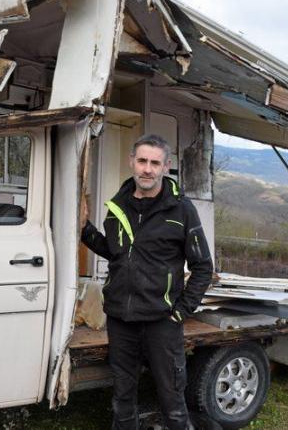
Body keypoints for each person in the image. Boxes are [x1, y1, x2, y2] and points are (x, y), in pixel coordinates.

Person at [80, 134, 213, 430]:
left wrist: (180, 312)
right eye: (142, 161)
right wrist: (84, 230)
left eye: (155, 163)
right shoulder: (118, 206)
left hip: (161, 320)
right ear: (132, 162)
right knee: (122, 395)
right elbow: (116, 252)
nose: (147, 169)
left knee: (171, 398)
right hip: (120, 318)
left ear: (166, 166)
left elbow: (203, 266)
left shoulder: (181, 210)